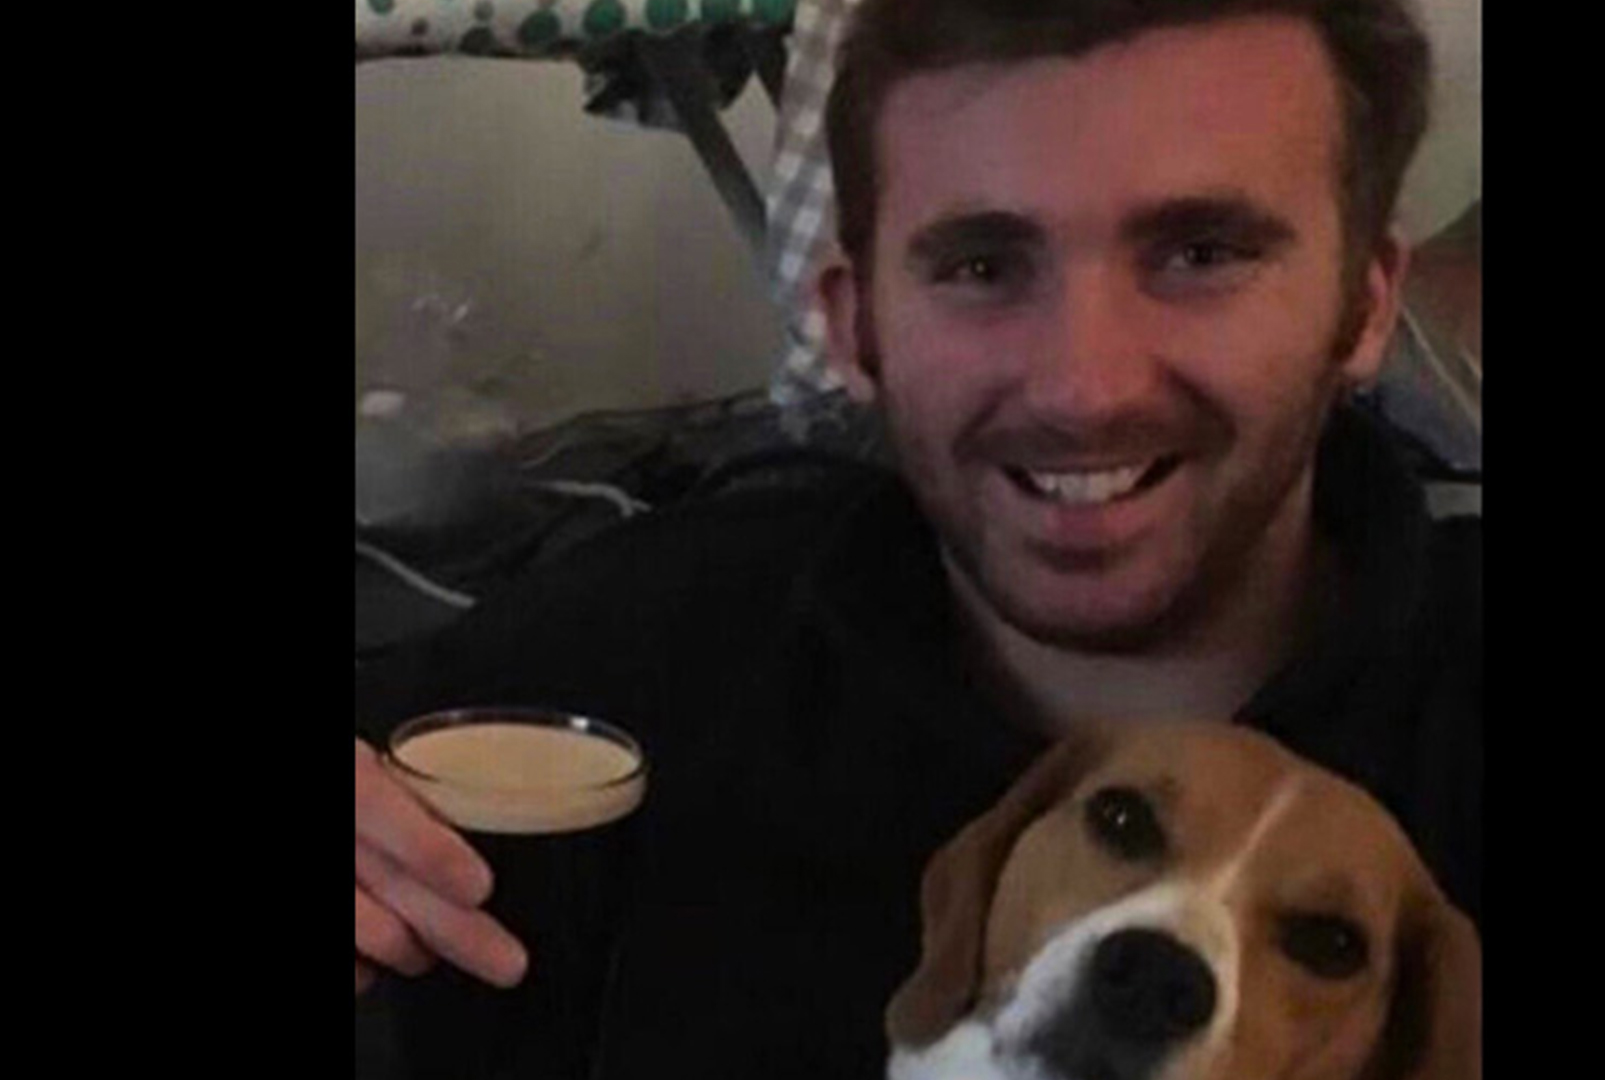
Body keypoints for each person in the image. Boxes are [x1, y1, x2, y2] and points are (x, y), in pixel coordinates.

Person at [353, 0, 1479, 1075]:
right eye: (983, 267)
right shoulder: (659, 632)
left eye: (1201, 253)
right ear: (853, 321)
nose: (1083, 387)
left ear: (1368, 300)